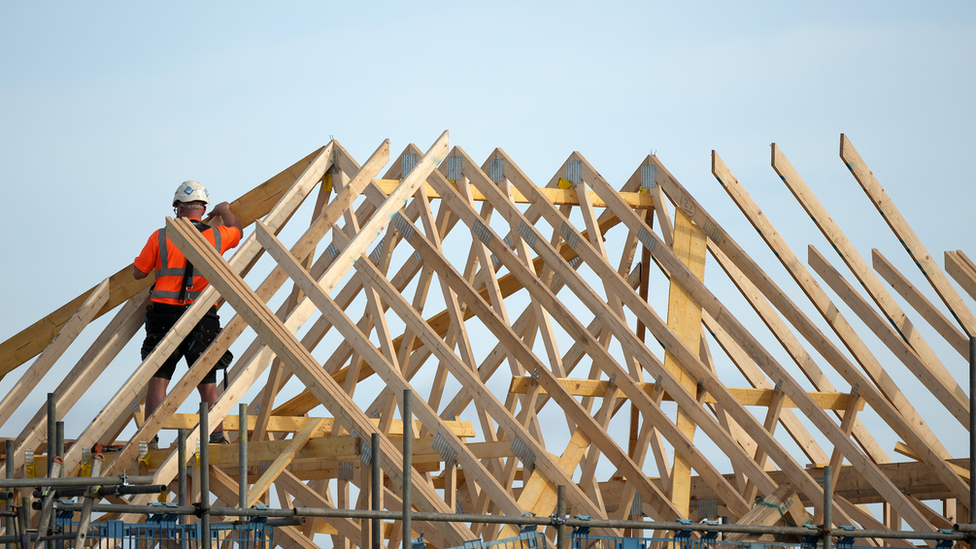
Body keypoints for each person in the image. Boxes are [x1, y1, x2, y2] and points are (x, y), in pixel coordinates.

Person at [133, 180, 243, 447]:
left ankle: (150, 437)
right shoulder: (217, 236)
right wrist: (225, 209)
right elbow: (237, 231)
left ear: (177, 208)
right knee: (207, 378)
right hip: (202, 315)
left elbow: (138, 273)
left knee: (159, 378)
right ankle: (216, 435)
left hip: (164, 316)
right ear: (203, 210)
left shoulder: (160, 237)